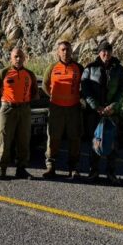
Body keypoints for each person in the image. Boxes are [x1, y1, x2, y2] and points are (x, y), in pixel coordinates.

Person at [81, 41, 123, 184]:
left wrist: (113, 106)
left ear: (112, 52)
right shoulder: (89, 69)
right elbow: (85, 89)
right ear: (99, 52)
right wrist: (96, 106)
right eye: (103, 51)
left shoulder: (119, 69)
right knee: (94, 142)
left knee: (112, 143)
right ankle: (93, 170)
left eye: (108, 51)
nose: (106, 54)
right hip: (94, 113)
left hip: (112, 113)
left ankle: (111, 172)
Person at [0, 47, 39, 180]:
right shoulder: (3, 73)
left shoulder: (30, 74)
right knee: (4, 139)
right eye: (15, 56)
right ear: (11, 58)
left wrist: (26, 101)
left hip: (24, 110)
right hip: (7, 109)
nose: (18, 59)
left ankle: (21, 169)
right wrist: (5, 99)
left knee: (24, 139)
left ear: (24, 58)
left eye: (20, 56)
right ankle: (1, 170)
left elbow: (35, 92)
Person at [42, 41, 84, 179]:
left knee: (74, 138)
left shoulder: (78, 67)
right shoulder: (52, 67)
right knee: (53, 138)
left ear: (72, 51)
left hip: (73, 109)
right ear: (58, 52)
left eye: (68, 49)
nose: (66, 52)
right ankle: (51, 167)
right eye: (63, 50)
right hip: (56, 109)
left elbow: (84, 86)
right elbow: (45, 85)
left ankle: (73, 168)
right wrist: (53, 97)